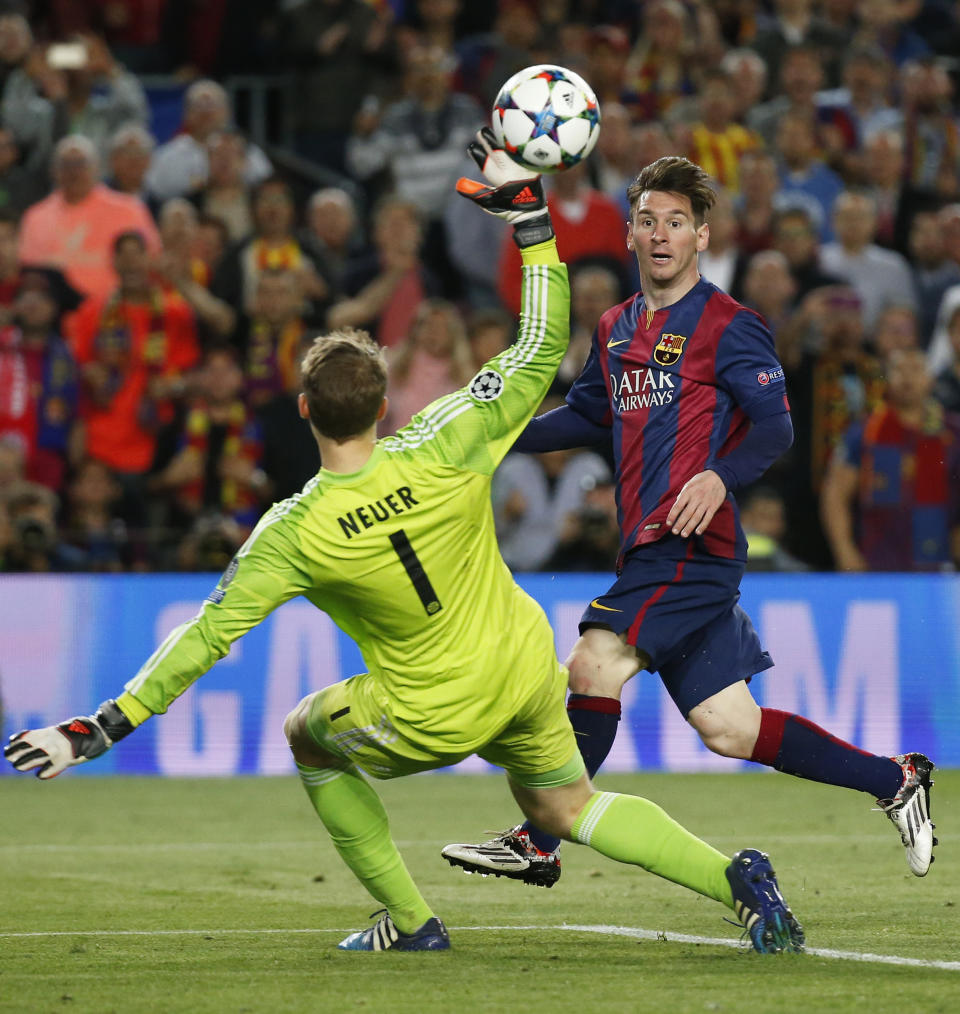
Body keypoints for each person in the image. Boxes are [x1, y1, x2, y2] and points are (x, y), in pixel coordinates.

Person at [5, 131, 804, 957]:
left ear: (307, 412)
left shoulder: (293, 532)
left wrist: (101, 727)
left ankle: (414, 923)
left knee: (305, 733)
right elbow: (538, 345)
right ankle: (734, 880)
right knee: (568, 807)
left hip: (433, 708)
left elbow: (206, 637)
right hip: (525, 668)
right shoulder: (447, 433)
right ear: (384, 401)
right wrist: (529, 218)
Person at [441, 154, 936, 889]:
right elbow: (585, 415)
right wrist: (491, 435)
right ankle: (895, 779)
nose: (662, 234)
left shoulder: (731, 325)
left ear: (702, 236)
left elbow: (776, 428)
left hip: (688, 546)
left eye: (677, 222)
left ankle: (540, 839)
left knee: (594, 662)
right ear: (633, 234)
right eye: (648, 221)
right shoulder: (615, 326)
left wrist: (717, 473)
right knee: (729, 727)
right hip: (653, 548)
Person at [821, 346, 960, 572]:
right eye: (899, 370)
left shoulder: (953, 432)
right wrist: (845, 552)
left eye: (916, 369)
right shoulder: (866, 431)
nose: (907, 378)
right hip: (876, 564)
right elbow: (835, 494)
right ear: (886, 377)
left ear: (930, 378)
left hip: (938, 568)